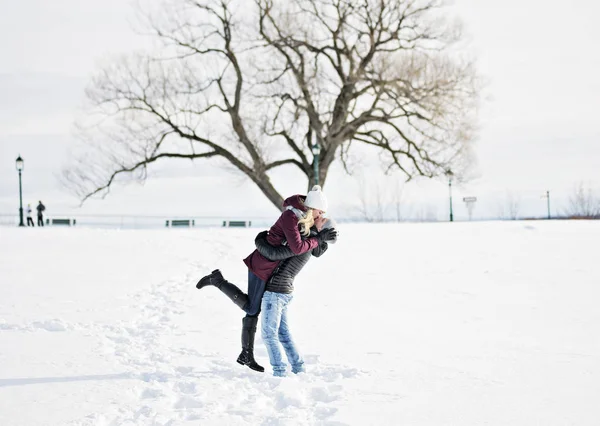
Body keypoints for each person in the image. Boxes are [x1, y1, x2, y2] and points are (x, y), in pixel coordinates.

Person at [195, 185, 337, 372]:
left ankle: (246, 354)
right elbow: (297, 247)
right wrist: (317, 238)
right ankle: (217, 281)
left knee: (255, 311)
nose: (321, 214)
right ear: (312, 207)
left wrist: (322, 236)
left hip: (273, 270)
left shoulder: (305, 220)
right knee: (252, 308)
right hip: (262, 264)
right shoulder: (291, 216)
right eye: (320, 210)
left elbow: (312, 249)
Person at [254, 215, 338, 376]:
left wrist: (260, 240)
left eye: (322, 219)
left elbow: (277, 251)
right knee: (283, 334)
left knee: (268, 335)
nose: (319, 216)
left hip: (276, 292)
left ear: (321, 228)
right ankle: (299, 368)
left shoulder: (307, 242)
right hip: (283, 291)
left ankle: (279, 372)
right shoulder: (311, 242)